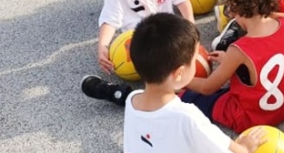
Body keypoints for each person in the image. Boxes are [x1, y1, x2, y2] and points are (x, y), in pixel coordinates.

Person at [84, 13, 266, 153]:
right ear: (179, 73)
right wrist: (245, 146)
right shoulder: (187, 116)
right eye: (194, 60)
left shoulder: (132, 100)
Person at [183, 0, 284, 133]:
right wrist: (228, 60)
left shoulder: (240, 49)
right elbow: (268, 54)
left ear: (234, 7)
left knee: (189, 97)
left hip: (253, 118)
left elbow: (207, 87)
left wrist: (181, 80)